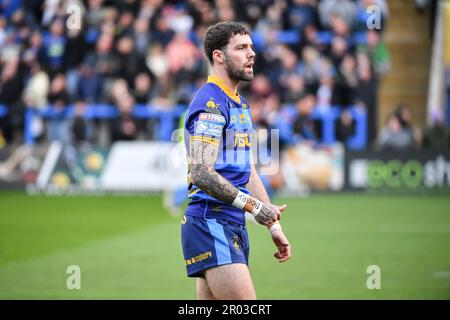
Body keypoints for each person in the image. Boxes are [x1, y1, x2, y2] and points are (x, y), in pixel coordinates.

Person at [181, 21, 291, 300]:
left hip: (231, 222)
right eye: (241, 48)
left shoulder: (239, 103)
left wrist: (273, 225)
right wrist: (254, 207)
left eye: (251, 47)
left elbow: (248, 171)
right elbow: (201, 173)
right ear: (219, 56)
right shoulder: (211, 103)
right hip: (211, 222)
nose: (251, 53)